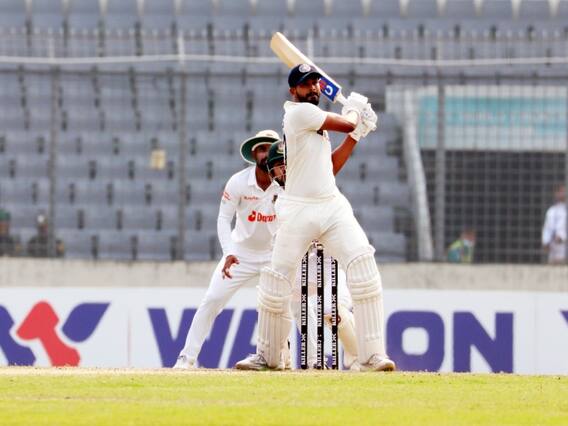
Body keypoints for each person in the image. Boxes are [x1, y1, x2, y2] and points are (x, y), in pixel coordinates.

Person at [236, 64, 395, 372]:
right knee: (276, 280)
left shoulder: (316, 127)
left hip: (331, 205)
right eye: (306, 84)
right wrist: (354, 111)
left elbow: (329, 168)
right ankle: (267, 357)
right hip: (298, 209)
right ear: (293, 91)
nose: (313, 88)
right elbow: (346, 123)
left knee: (363, 265)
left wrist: (356, 135)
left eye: (315, 83)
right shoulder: (297, 114)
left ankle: (371, 356)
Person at [174, 130, 283, 369]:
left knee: (285, 305)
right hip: (240, 254)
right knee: (212, 299)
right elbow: (224, 218)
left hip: (274, 255)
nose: (266, 154)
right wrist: (229, 252)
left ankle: (285, 357)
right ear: (254, 154)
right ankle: (186, 358)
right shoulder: (239, 182)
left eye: (270, 149)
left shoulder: (286, 183)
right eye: (261, 149)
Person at [264, 141, 359, 369]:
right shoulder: (275, 200)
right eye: (278, 165)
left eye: (287, 164)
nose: (284, 169)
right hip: (303, 265)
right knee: (283, 302)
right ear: (271, 172)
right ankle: (307, 361)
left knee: (331, 310)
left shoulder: (316, 186)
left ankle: (360, 357)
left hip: (331, 265)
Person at [542, 183, 567, 264]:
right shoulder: (552, 211)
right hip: (556, 245)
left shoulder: (565, 210)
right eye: (560, 191)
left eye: (563, 191)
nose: (563, 193)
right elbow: (548, 227)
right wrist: (546, 241)